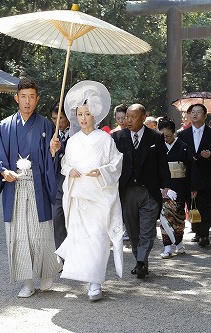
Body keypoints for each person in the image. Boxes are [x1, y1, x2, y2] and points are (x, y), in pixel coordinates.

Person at [0, 78, 62, 298]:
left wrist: (54, 150)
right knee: (19, 235)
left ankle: (46, 273)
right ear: (16, 98)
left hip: (38, 185)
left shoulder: (47, 125)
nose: (27, 102)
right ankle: (27, 281)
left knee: (42, 232)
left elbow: (53, 158)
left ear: (37, 99)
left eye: (32, 97)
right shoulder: (5, 125)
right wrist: (2, 172)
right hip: (14, 186)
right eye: (23, 97)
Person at [55, 80, 124, 302]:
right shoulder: (73, 141)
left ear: (95, 114)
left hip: (99, 196)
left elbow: (116, 164)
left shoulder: (105, 139)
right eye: (80, 114)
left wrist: (102, 171)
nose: (83, 118)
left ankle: (97, 282)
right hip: (79, 197)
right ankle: (89, 278)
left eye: (87, 113)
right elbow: (64, 163)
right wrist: (70, 169)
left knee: (98, 238)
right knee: (82, 239)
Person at [112, 104, 171, 278]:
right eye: (126, 117)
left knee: (148, 229)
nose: (127, 120)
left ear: (143, 118)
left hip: (149, 190)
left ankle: (140, 261)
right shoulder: (117, 137)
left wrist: (166, 184)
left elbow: (162, 163)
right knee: (133, 230)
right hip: (127, 190)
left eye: (132, 117)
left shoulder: (156, 138)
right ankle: (141, 261)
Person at [177, 104, 211, 247]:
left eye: (199, 112)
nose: (195, 114)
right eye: (192, 112)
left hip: (206, 175)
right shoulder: (182, 134)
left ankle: (204, 233)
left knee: (205, 205)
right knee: (192, 205)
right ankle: (197, 230)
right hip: (189, 176)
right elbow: (179, 154)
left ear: (205, 116)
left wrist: (210, 154)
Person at [157, 118, 195, 258]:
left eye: (167, 135)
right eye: (162, 136)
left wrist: (192, 187)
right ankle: (167, 246)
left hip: (180, 185)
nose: (164, 138)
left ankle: (178, 243)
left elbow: (191, 169)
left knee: (178, 217)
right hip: (163, 188)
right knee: (164, 217)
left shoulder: (183, 146)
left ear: (173, 133)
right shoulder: (157, 148)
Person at [50, 101, 70, 249]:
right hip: (57, 183)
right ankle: (62, 256)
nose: (57, 122)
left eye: (61, 118)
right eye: (54, 119)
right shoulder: (50, 135)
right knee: (57, 219)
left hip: (73, 182)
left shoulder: (78, 133)